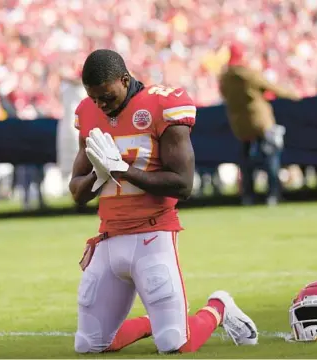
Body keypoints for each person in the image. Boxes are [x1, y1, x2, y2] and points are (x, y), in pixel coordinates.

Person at [69, 49, 258, 354]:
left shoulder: (162, 105)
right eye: (94, 98)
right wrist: (99, 175)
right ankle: (151, 321)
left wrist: (123, 170)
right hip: (108, 238)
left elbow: (183, 184)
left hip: (152, 235)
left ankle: (218, 307)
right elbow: (77, 193)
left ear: (125, 80)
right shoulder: (89, 113)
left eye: (107, 96)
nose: (101, 105)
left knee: (175, 343)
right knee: (89, 345)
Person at [220, 44, 301, 206]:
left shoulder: (225, 78)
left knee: (246, 161)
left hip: (240, 124)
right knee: (270, 157)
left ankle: (248, 195)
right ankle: (273, 194)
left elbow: (224, 95)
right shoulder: (249, 75)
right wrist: (294, 95)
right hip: (260, 121)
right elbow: (272, 88)